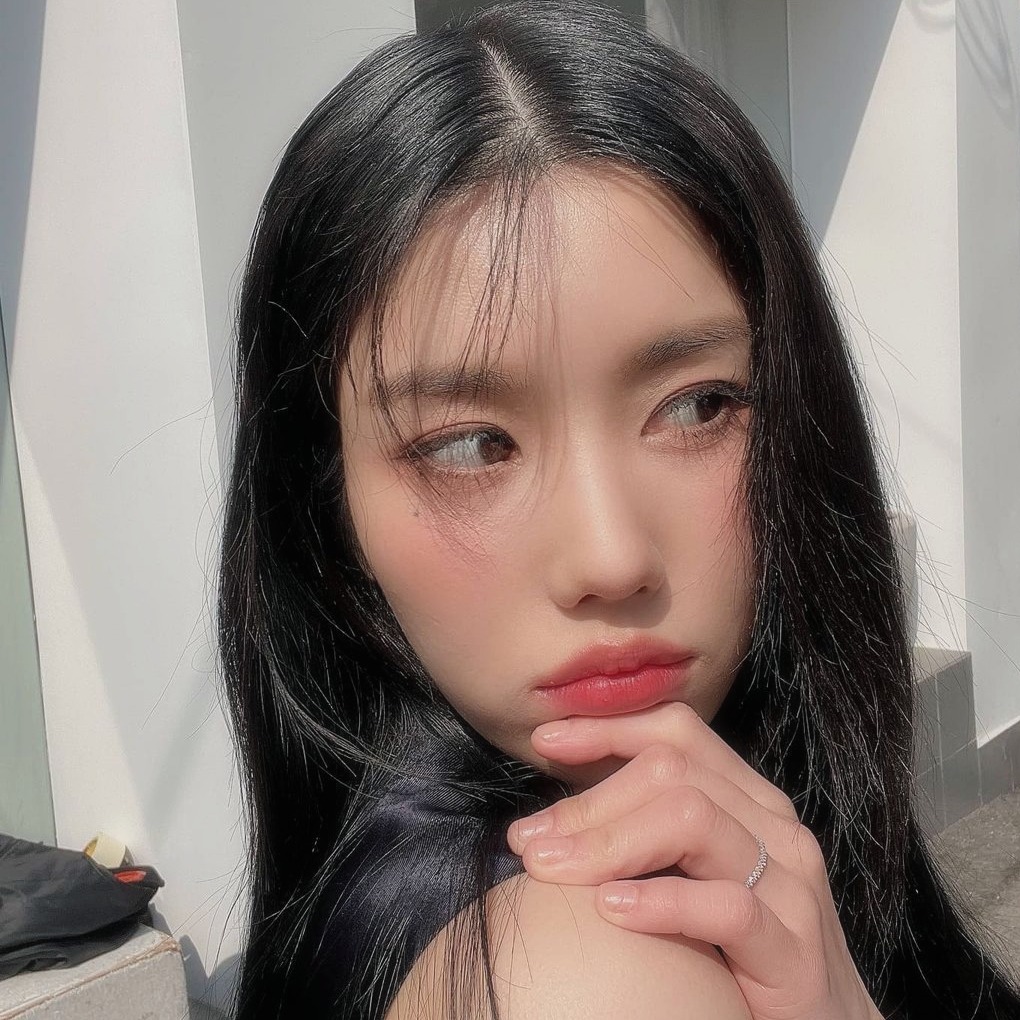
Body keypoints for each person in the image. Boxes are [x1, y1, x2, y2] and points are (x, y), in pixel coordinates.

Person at [214, 2, 1020, 1017]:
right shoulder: (586, 972)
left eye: (698, 406)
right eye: (470, 446)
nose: (611, 556)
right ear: (327, 510)